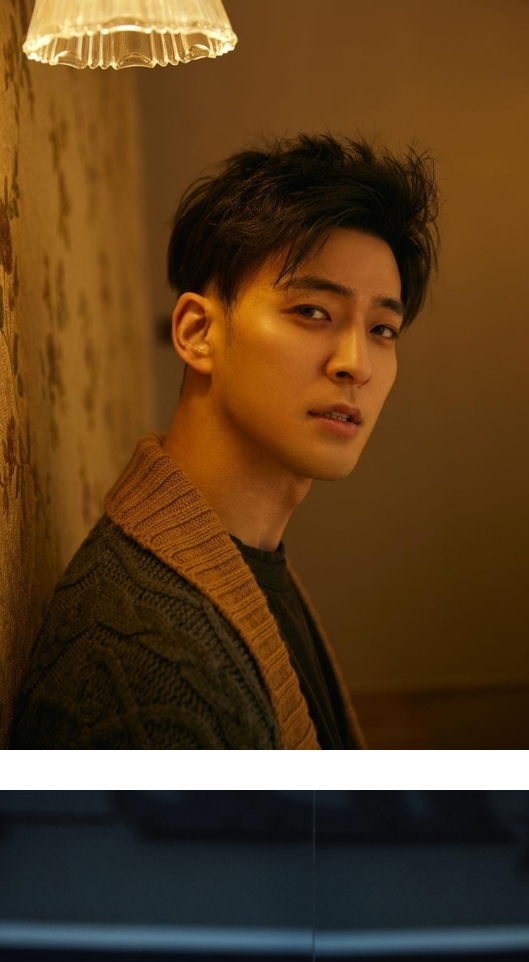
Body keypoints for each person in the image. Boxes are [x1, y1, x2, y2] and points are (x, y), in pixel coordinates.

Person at [12, 134, 438, 751]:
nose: (357, 364)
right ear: (197, 332)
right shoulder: (154, 665)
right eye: (313, 312)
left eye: (383, 329)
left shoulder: (243, 564)